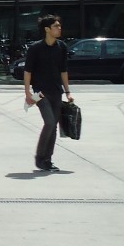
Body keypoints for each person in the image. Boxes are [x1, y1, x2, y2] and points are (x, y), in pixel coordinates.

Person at [23, 14, 75, 172]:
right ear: (47, 29)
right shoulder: (35, 48)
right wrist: (27, 93)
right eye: (56, 26)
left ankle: (48, 159)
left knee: (54, 127)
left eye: (59, 26)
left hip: (56, 91)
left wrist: (68, 92)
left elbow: (63, 71)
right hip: (40, 93)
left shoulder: (62, 47)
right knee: (50, 122)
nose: (59, 28)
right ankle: (40, 158)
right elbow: (27, 72)